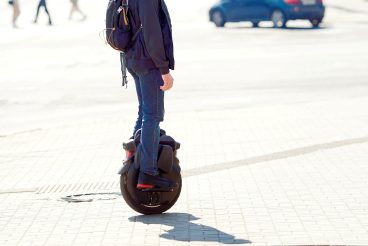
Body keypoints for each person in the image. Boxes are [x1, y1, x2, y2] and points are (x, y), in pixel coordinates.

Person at [124, 0, 176, 190]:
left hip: (133, 58)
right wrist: (164, 69)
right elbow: (152, 32)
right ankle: (148, 173)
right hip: (148, 61)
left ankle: (133, 155)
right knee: (152, 115)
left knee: (144, 111)